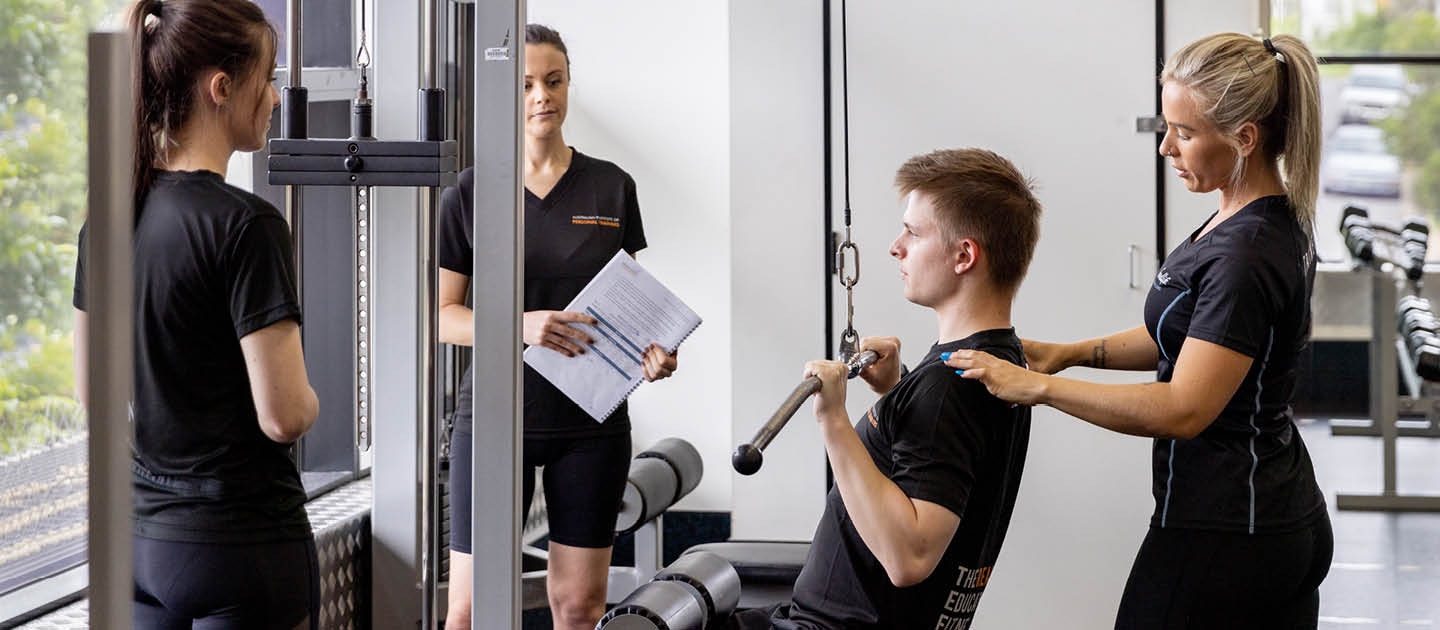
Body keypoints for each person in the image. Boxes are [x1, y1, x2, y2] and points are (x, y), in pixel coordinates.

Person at [944, 33, 1333, 628]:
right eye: (1165, 125)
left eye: (1185, 132)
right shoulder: (1245, 215)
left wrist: (1036, 389)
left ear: (1245, 139)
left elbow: (1183, 407)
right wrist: (1067, 354)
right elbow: (1181, 338)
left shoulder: (1245, 255)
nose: (1167, 148)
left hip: (1231, 531)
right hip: (1268, 514)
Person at [71, 1, 319, 628]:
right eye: (268, 80)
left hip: (138, 545)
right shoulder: (246, 224)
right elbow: (285, 416)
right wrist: (317, 401)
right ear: (221, 88)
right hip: (237, 550)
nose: (273, 99)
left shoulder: (107, 217)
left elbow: (92, 392)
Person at [728, 147, 1042, 629]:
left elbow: (909, 556)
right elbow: (936, 459)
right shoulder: (998, 359)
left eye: (913, 233)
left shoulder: (948, 387)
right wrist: (896, 393)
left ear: (964, 256)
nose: (895, 247)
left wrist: (833, 421)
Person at [438, 24, 679, 630]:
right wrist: (519, 326)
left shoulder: (611, 186)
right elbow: (443, 317)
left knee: (578, 607)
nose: (542, 96)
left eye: (553, 81)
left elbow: (629, 308)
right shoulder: (468, 193)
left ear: (569, 86)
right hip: (495, 418)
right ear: (504, 96)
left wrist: (653, 355)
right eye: (525, 86)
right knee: (467, 612)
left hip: (590, 425)